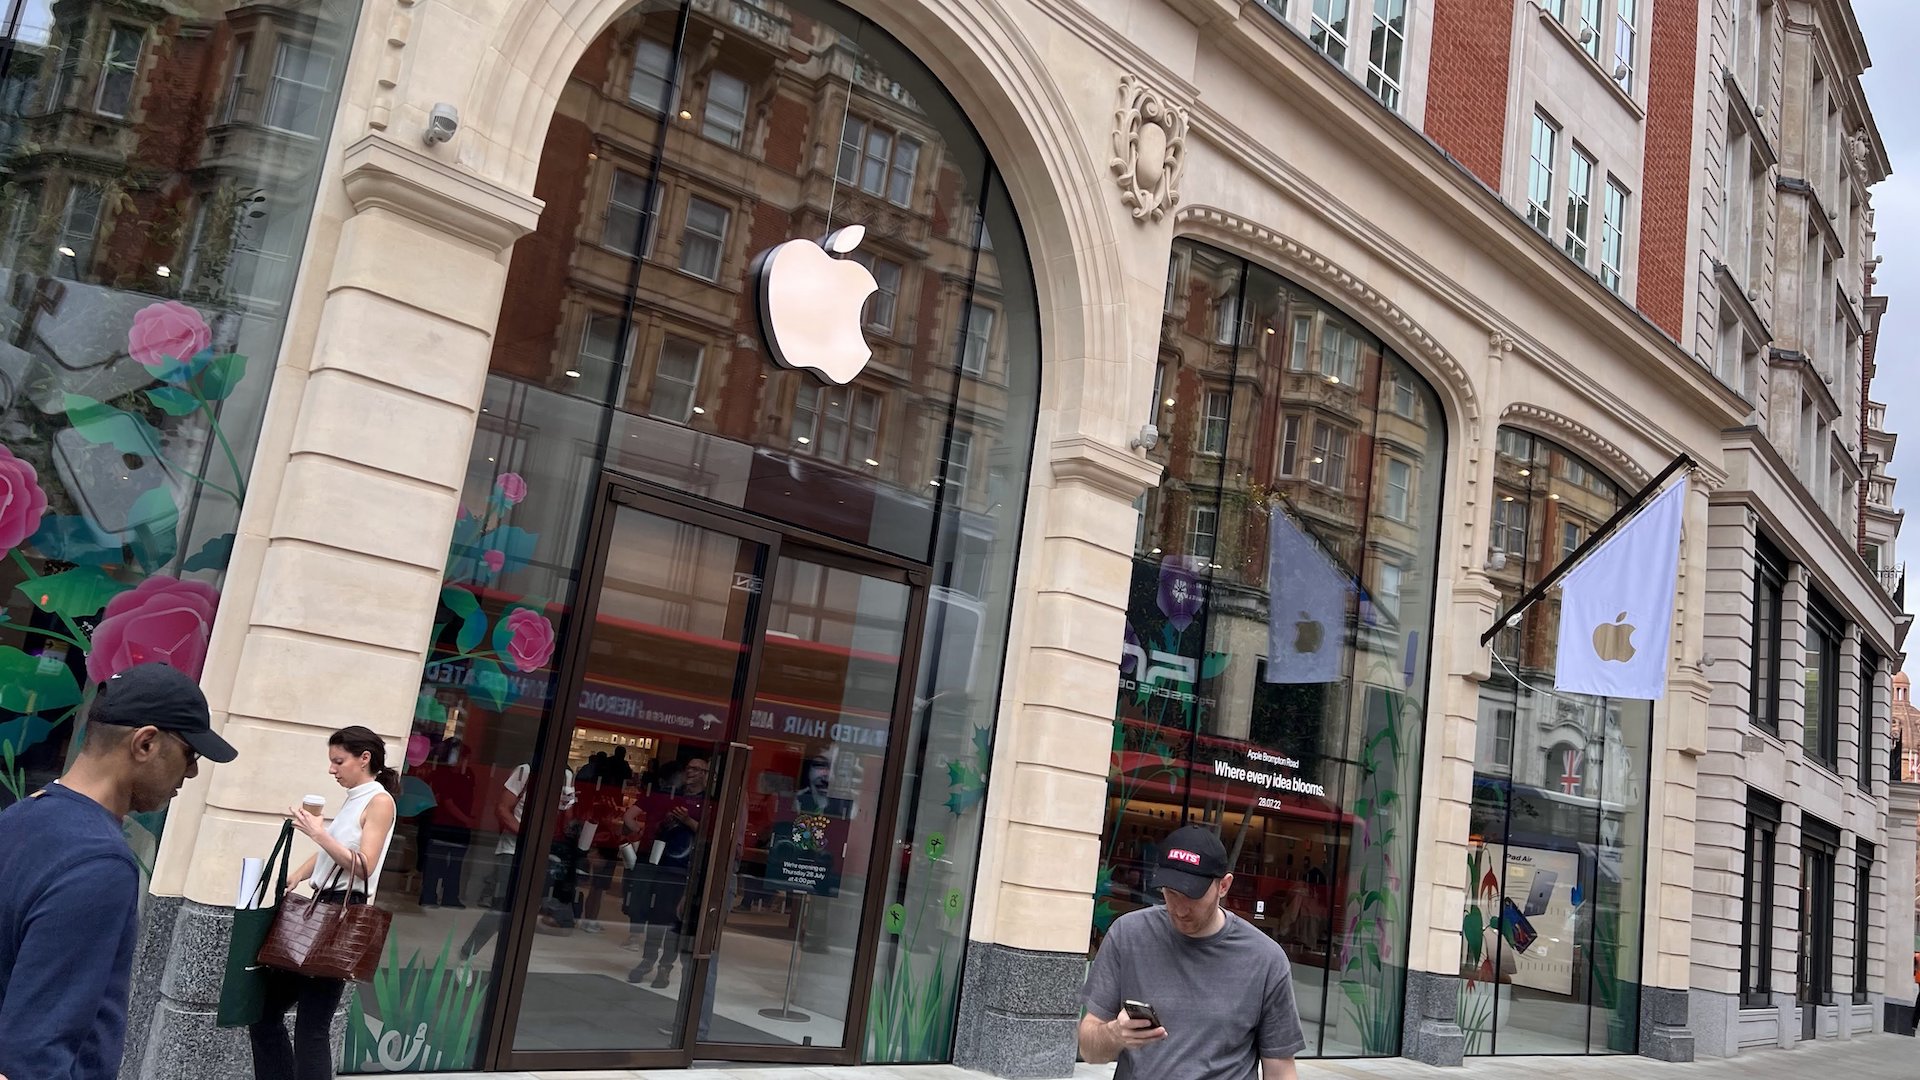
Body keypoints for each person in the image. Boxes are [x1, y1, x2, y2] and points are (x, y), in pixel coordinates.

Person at [0, 663, 237, 1080]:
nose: (193, 771)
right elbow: (36, 1056)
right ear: (145, 743)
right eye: (190, 753)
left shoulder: (18, 817)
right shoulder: (100, 864)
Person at [1079, 824, 1304, 1080]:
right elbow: (1089, 1050)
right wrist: (1115, 1034)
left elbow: (1280, 1069)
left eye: (1193, 895)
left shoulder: (1266, 960)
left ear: (1224, 885)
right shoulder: (1128, 935)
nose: (1180, 908)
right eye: (1171, 893)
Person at [249, 725, 397, 1080]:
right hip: (320, 908)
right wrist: (297, 875)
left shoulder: (379, 801)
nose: (332, 769)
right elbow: (335, 850)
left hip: (341, 915)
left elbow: (364, 864)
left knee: (311, 1028)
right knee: (265, 1014)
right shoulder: (355, 798)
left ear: (365, 758)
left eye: (338, 761)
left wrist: (317, 832)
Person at [625, 756, 708, 987]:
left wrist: (687, 820)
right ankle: (648, 959)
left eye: (696, 769)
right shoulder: (673, 795)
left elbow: (709, 835)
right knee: (656, 916)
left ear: (705, 774)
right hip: (661, 862)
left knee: (674, 920)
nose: (690, 772)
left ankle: (665, 967)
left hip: (685, 867)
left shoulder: (708, 802)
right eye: (689, 767)